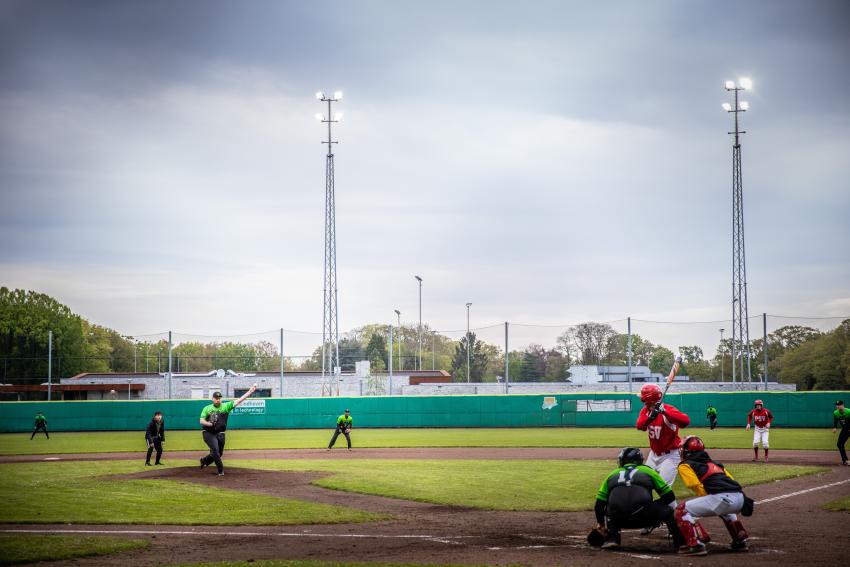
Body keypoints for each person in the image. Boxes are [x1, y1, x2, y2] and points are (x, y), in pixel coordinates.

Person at [592, 447, 685, 551]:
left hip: (619, 520)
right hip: (645, 519)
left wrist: (601, 524)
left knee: (609, 507)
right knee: (668, 511)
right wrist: (652, 505)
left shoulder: (612, 474)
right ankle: (681, 543)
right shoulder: (648, 471)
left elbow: (599, 505)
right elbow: (669, 497)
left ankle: (613, 538)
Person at [676, 435, 752, 555]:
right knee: (725, 509)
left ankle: (696, 545)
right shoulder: (716, 464)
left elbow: (695, 485)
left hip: (722, 498)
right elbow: (731, 480)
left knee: (681, 510)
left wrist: (709, 499)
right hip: (740, 498)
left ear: (686, 451)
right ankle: (740, 540)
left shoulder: (685, 465)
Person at [199, 385, 257, 476]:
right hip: (208, 433)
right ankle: (220, 471)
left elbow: (239, 401)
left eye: (219, 398)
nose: (218, 399)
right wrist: (209, 424)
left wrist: (249, 392)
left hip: (220, 433)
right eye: (216, 398)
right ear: (212, 399)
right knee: (215, 450)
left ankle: (204, 460)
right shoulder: (207, 408)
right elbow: (201, 421)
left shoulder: (226, 406)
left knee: (219, 453)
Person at [833, 400, 850, 466]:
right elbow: (836, 420)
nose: (837, 406)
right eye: (836, 405)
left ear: (843, 405)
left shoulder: (848, 411)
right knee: (839, 444)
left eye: (839, 405)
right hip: (845, 430)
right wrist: (835, 427)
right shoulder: (836, 413)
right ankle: (845, 460)